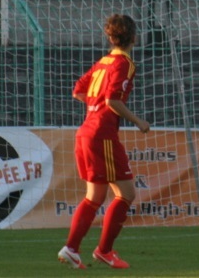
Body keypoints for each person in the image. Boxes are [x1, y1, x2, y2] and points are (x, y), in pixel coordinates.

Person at [58, 14, 150, 270]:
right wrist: (139, 121)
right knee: (127, 193)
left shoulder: (102, 62)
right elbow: (112, 101)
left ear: (110, 37)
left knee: (95, 195)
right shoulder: (125, 63)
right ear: (134, 37)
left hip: (86, 131)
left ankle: (72, 249)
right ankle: (104, 250)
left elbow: (77, 91)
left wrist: (94, 104)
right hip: (102, 134)